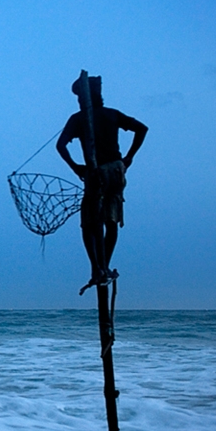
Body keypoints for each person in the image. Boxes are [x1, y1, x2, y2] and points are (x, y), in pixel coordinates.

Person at [56, 75, 147, 288]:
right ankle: (100, 267)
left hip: (102, 172)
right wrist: (127, 159)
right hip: (111, 171)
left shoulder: (88, 118)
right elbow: (142, 129)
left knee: (93, 222)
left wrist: (76, 166)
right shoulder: (89, 117)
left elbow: (61, 146)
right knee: (106, 220)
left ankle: (99, 267)